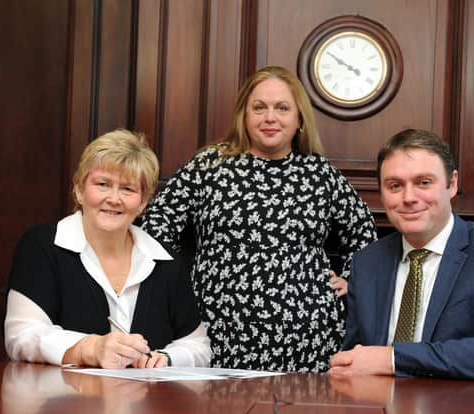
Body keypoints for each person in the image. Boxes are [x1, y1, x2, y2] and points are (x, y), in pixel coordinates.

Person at [140, 66, 377, 372]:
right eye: (259, 107)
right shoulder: (210, 165)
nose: (270, 117)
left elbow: (362, 232)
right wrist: (177, 286)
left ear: (299, 118)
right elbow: (157, 222)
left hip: (307, 338)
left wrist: (351, 279)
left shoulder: (319, 174)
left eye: (282, 108)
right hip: (218, 331)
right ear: (244, 115)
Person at [329, 128, 474, 381]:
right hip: (377, 412)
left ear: (452, 184)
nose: (408, 198)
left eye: (423, 183)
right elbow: (356, 356)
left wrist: (393, 358)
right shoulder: (367, 262)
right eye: (395, 186)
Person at [4, 129, 211, 369]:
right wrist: (89, 349)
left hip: (148, 404)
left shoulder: (166, 262)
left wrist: (165, 359)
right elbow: (21, 334)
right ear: (80, 190)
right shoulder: (42, 247)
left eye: (128, 189)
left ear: (143, 202)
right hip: (63, 402)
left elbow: (199, 347)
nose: (114, 198)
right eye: (103, 184)